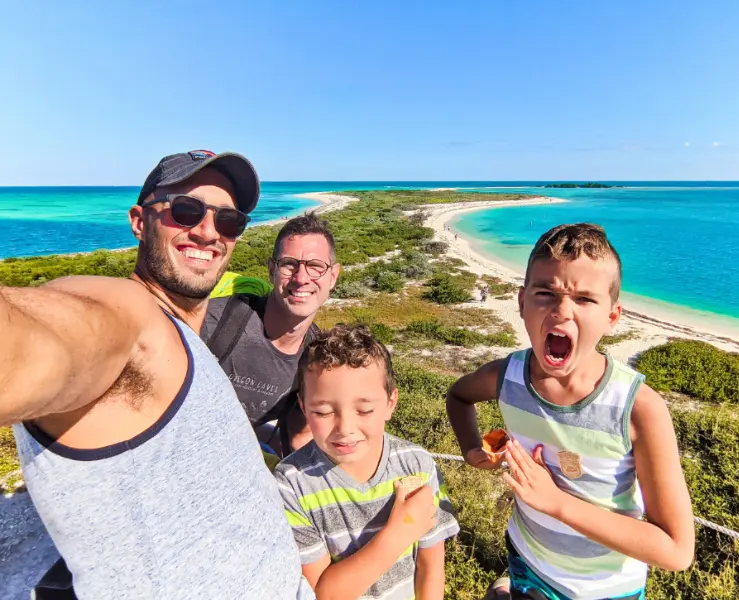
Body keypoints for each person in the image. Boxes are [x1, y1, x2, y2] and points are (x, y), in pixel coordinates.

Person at [3, 150, 314, 599]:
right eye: (185, 210)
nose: (208, 231)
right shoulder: (130, 314)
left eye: (229, 221)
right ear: (138, 220)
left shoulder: (187, 337)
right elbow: (45, 336)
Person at [447, 223, 695, 600]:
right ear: (521, 303)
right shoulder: (506, 377)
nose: (562, 311)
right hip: (525, 558)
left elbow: (676, 550)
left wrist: (556, 502)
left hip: (606, 589)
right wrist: (472, 450)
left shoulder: (639, 409)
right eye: (545, 293)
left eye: (584, 299)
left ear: (612, 317)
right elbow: (459, 396)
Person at [274, 324, 460, 600]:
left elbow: (430, 567)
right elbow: (322, 595)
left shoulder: (417, 465)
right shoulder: (291, 484)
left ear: (390, 403)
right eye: (323, 412)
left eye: (364, 410)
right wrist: (401, 530)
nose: (345, 428)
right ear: (303, 407)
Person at [201, 212, 340, 459]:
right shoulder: (216, 320)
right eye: (289, 264)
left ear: (333, 276)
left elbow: (298, 438)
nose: (301, 278)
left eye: (316, 267)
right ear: (271, 270)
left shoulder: (314, 357)